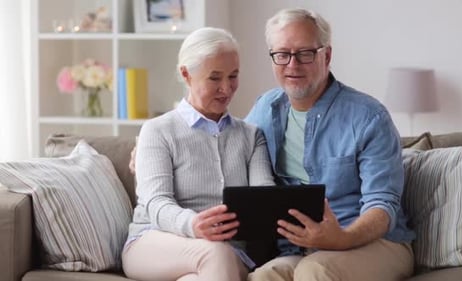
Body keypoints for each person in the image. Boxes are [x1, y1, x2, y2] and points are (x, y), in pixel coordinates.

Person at [244, 8, 415, 281]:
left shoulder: (369, 116)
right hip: (299, 249)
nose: (292, 64)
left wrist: (343, 238)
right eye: (282, 54)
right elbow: (234, 160)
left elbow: (382, 205)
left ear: (327, 56)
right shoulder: (265, 109)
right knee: (263, 276)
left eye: (305, 53)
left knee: (315, 271)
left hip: (376, 243)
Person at [121, 27, 275, 281]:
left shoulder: (251, 136)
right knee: (215, 254)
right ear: (186, 74)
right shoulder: (157, 130)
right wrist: (193, 225)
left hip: (227, 252)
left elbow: (263, 202)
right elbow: (156, 203)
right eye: (215, 78)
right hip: (154, 243)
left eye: (233, 76)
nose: (226, 88)